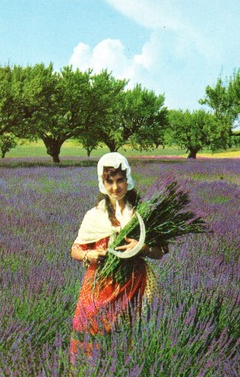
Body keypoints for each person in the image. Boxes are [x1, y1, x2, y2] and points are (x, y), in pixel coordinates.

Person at [70, 152, 167, 360]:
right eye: (110, 181)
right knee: (87, 326)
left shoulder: (141, 213)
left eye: (120, 180)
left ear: (127, 179)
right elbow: (75, 250)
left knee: (125, 337)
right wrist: (90, 254)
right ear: (102, 183)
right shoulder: (94, 215)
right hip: (98, 284)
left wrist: (143, 248)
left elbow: (160, 252)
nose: (115, 187)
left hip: (132, 285)